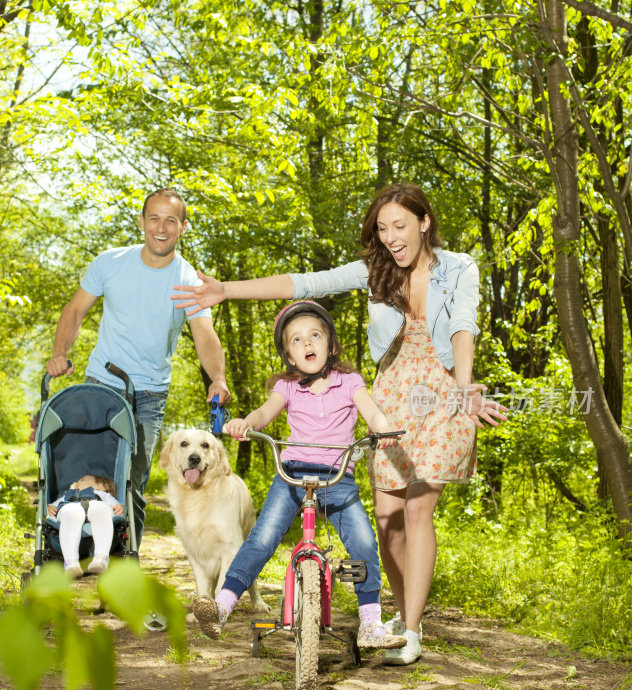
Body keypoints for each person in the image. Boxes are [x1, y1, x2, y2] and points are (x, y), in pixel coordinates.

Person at [175, 183, 506, 665]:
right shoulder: (375, 271)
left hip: (443, 393)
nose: (392, 237)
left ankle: (411, 631)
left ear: (425, 222)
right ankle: (395, 616)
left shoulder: (459, 269)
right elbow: (304, 285)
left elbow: (462, 324)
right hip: (389, 395)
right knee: (388, 524)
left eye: (400, 226)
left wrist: (464, 384)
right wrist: (227, 291)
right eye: (383, 228)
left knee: (417, 513)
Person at [193, 300, 408, 651]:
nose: (307, 343)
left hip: (337, 477)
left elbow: (373, 413)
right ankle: (221, 607)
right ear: (289, 357)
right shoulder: (289, 387)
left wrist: (385, 429)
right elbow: (265, 413)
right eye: (296, 340)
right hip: (291, 475)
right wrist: (245, 424)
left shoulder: (349, 382)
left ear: (331, 344)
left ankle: (371, 623)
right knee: (262, 539)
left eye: (315, 335)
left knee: (364, 542)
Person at [46, 188, 230, 541]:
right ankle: (76, 545)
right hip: (101, 384)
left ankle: (124, 570)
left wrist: (218, 378)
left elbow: (205, 336)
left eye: (171, 220)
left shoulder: (188, 280)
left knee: (132, 482)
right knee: (87, 474)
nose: (161, 228)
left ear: (183, 227)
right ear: (142, 222)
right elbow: (75, 311)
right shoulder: (111, 263)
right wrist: (60, 351)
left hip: (149, 393)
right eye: (154, 218)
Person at [47, 474, 124, 578]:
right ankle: (71, 562)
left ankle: (101, 557)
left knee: (102, 509)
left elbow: (117, 507)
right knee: (70, 512)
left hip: (96, 504)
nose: (78, 481)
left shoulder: (104, 495)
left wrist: (120, 507)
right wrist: (50, 507)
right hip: (71, 506)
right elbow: (52, 507)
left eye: (83, 479)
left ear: (102, 486)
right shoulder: (67, 495)